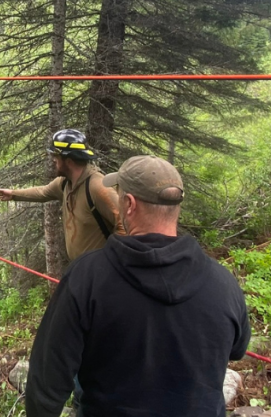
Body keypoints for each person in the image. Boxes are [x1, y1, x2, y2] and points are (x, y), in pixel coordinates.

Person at [25, 155, 251, 417]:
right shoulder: (223, 282)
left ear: (129, 204)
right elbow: (238, 348)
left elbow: (47, 381)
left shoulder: (86, 278)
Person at [0, 129, 121, 261]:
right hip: (81, 272)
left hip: (101, 273)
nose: (53, 159)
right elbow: (42, 192)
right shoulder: (64, 183)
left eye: (56, 156)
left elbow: (125, 222)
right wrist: (13, 194)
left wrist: (112, 259)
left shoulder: (97, 187)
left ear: (69, 161)